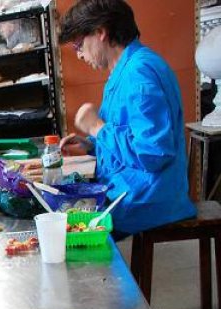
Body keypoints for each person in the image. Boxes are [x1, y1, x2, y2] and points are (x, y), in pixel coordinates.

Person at [58, 0, 195, 236]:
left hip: (147, 200)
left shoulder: (139, 73)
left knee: (65, 231)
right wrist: (92, 144)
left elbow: (153, 154)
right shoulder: (123, 70)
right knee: (61, 208)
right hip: (133, 189)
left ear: (101, 32)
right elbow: (129, 136)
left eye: (79, 45)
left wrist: (98, 128)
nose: (79, 55)